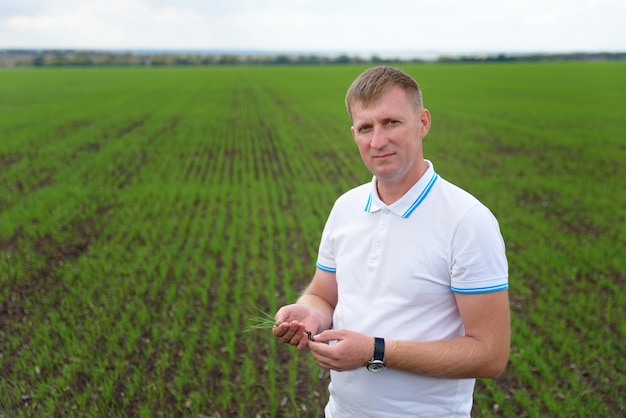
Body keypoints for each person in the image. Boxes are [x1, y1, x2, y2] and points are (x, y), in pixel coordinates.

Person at [273, 66, 510, 417]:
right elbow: (324, 294)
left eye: (391, 123)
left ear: (423, 122)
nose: (377, 141)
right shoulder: (346, 208)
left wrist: (375, 351)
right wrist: (310, 313)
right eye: (366, 128)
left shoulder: (467, 221)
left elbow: (490, 354)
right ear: (353, 133)